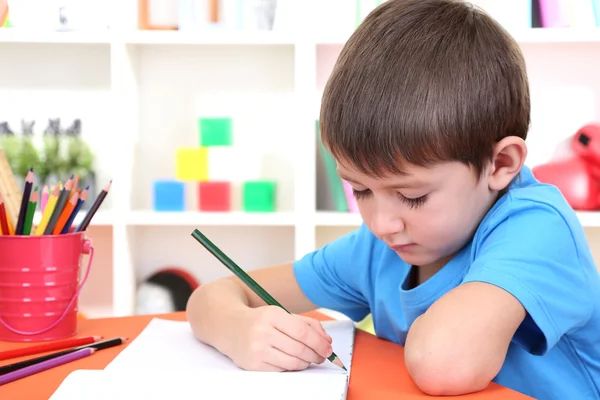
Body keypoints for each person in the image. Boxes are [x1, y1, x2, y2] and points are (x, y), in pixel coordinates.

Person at [186, 0, 600, 398]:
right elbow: (214, 295)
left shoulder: (538, 226)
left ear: (500, 164)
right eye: (360, 190)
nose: (381, 223)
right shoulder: (380, 249)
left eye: (412, 196)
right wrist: (239, 329)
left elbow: (444, 364)